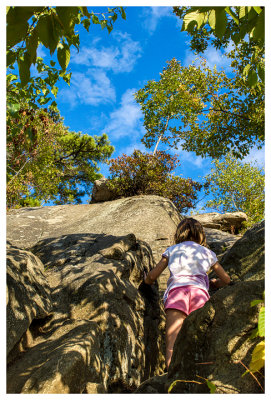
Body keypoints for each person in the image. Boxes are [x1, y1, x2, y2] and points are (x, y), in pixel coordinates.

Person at [144, 217, 230, 370]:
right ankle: (197, 377)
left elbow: (152, 276)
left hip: (177, 293)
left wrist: (146, 281)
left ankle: (170, 377)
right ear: (200, 234)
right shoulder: (207, 252)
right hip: (200, 294)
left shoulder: (172, 250)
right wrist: (214, 283)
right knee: (199, 337)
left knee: (172, 343)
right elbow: (226, 279)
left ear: (179, 233)